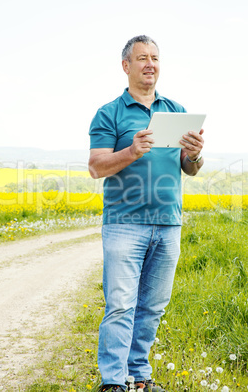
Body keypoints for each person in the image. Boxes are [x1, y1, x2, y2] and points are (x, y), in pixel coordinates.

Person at [88, 35, 204, 392]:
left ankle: (139, 376)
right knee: (121, 305)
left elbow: (190, 168)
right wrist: (131, 151)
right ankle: (113, 381)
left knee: (152, 307)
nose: (150, 63)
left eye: (154, 57)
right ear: (127, 66)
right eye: (142, 58)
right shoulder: (110, 113)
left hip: (168, 223)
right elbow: (96, 166)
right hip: (124, 224)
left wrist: (196, 155)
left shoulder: (176, 110)